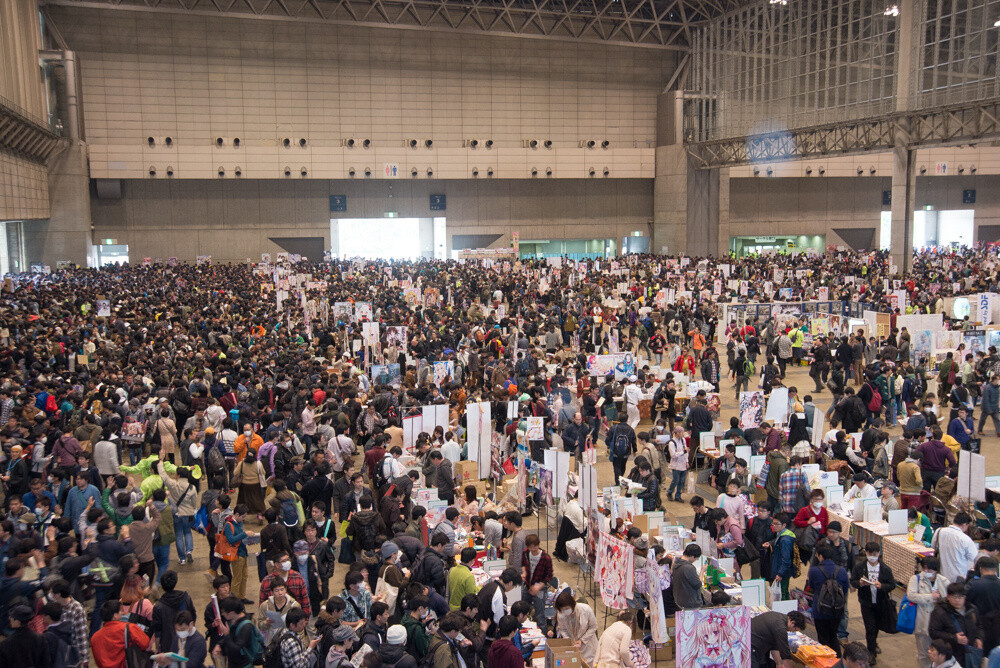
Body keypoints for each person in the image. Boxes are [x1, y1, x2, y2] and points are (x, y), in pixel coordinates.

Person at [849, 542, 896, 663]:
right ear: (866, 553)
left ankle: (873, 644)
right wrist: (860, 583)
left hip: (881, 603)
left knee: (876, 627)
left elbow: (891, 585)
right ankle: (871, 653)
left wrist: (882, 586)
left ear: (879, 553)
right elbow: (853, 581)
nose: (872, 556)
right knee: (870, 627)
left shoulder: (885, 569)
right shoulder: (860, 567)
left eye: (875, 554)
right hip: (866, 603)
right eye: (870, 554)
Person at [909, 556, 952, 668]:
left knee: (940, 653)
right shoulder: (916, 579)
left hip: (939, 625)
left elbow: (949, 599)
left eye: (929, 569)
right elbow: (911, 596)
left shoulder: (944, 581)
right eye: (924, 568)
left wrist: (941, 599)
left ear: (936, 569)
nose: (926, 571)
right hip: (922, 623)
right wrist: (930, 597)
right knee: (924, 654)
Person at [808, 543, 849, 657]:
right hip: (837, 610)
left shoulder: (814, 571)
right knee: (833, 636)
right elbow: (845, 590)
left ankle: (825, 661)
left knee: (822, 638)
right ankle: (838, 661)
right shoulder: (841, 571)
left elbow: (811, 587)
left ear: (820, 556)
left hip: (820, 610)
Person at [929, 582, 983, 667]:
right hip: (951, 656)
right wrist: (954, 638)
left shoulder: (972, 610)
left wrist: (979, 638)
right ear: (948, 597)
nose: (957, 600)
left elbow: (979, 626)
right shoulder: (940, 612)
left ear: (965, 597)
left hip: (970, 653)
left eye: (960, 597)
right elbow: (933, 632)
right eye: (954, 597)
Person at [91, 599, 151, 668]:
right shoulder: (129, 628)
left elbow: (98, 661)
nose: (122, 613)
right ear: (115, 615)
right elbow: (145, 643)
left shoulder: (95, 638)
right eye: (120, 611)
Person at [552, 590, 598, 666]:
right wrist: (570, 641)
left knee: (589, 664)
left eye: (566, 608)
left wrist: (582, 640)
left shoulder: (585, 609)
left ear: (572, 604)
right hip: (573, 645)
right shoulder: (560, 614)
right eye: (563, 610)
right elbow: (563, 629)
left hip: (588, 645)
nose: (565, 611)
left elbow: (593, 626)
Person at [932, 512, 979, 584]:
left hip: (941, 574)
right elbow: (975, 558)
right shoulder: (966, 539)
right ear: (964, 525)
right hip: (959, 577)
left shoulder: (939, 531)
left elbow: (933, 547)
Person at [967, 557, 1000, 654]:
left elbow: (967, 602)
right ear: (995, 569)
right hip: (997, 625)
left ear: (980, 568)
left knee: (978, 651)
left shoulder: (974, 585)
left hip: (979, 624)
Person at [522, 533, 553, 635]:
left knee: (540, 615)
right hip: (527, 586)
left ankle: (544, 638)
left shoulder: (545, 558)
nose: (533, 549)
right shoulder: (526, 553)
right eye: (531, 547)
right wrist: (524, 572)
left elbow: (549, 577)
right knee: (522, 610)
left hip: (540, 590)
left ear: (538, 544)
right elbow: (523, 564)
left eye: (535, 546)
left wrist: (539, 586)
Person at [672, 543, 705, 610]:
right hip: (690, 603)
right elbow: (698, 584)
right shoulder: (689, 568)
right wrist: (702, 571)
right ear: (692, 556)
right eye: (696, 558)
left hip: (680, 599)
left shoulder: (676, 562)